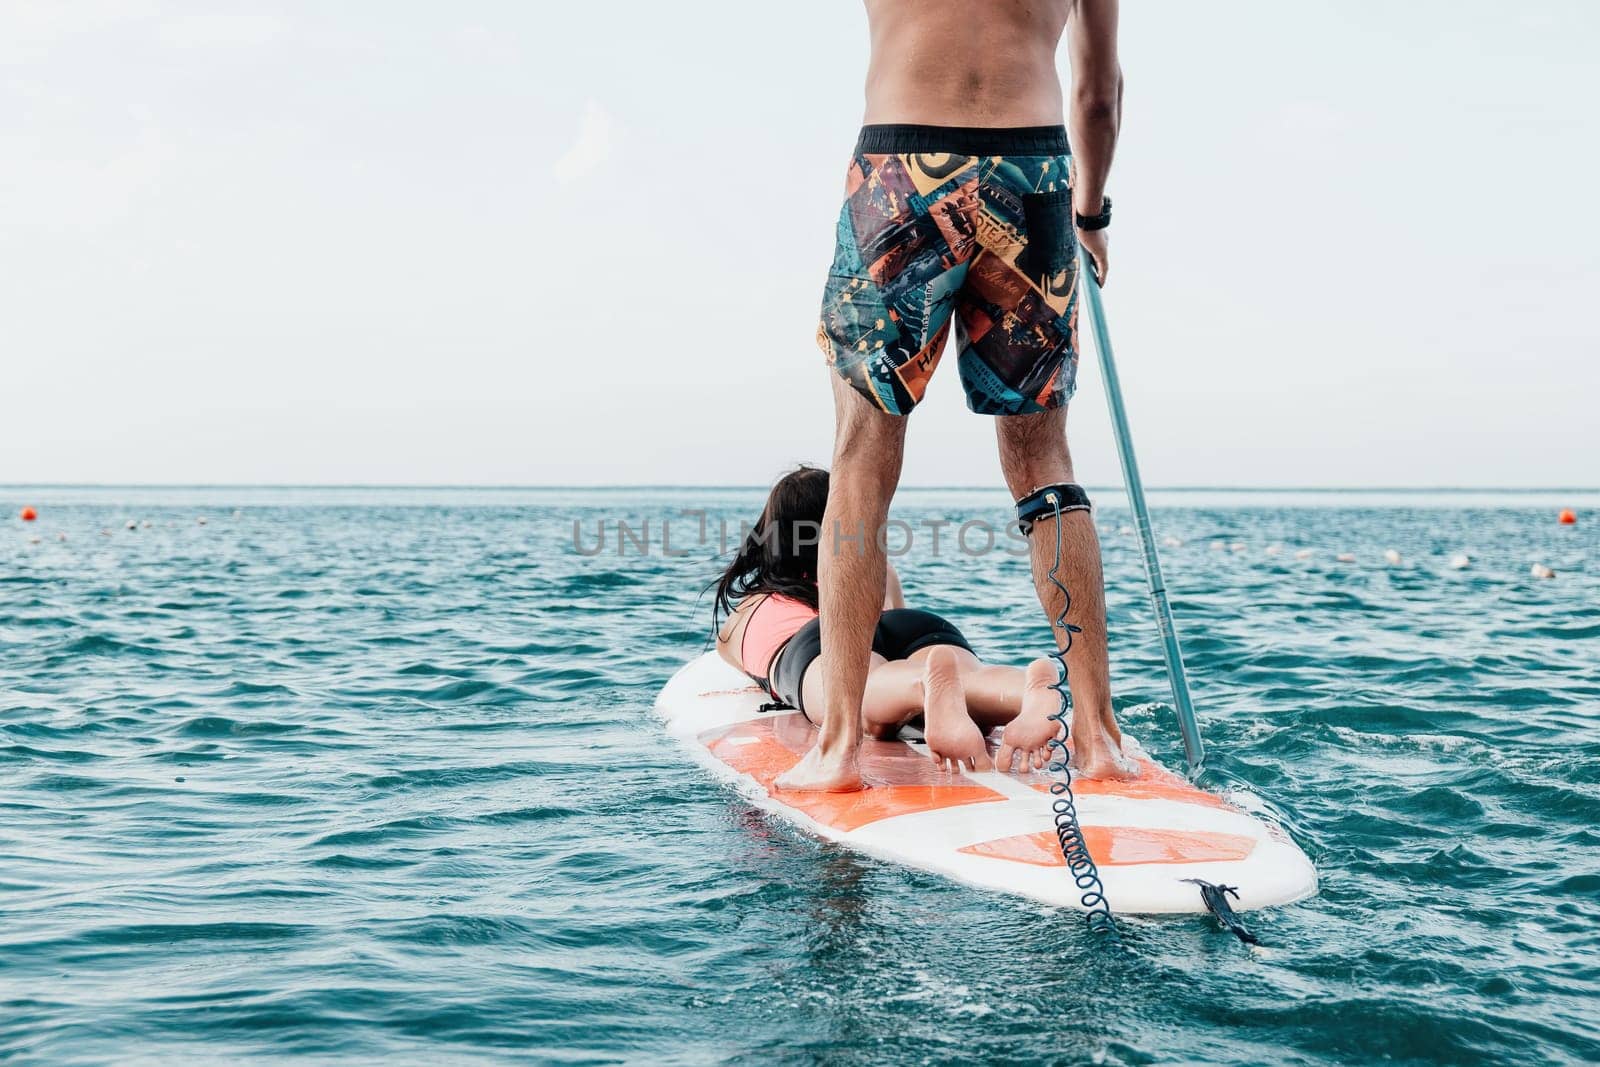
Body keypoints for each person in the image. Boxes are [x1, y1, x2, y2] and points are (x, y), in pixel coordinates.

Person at [776, 0, 1137, 791]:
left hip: (901, 168)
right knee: (1044, 460)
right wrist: (1091, 213)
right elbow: (1098, 95)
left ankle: (837, 746)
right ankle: (1099, 736)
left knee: (862, 461)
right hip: (1032, 171)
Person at [713, 467, 1066, 774]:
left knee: (862, 700)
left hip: (811, 642)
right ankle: (1025, 690)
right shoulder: (879, 572)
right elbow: (887, 628)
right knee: (967, 679)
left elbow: (733, 655)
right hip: (914, 627)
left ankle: (924, 687)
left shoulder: (751, 607)